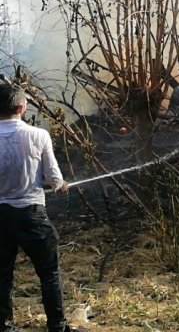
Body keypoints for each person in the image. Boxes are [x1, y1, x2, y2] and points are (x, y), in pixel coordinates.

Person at [0, 84, 85, 332]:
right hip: (31, 216)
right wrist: (61, 185)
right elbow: (53, 178)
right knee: (49, 273)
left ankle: (4, 327)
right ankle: (57, 327)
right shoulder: (38, 135)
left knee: (2, 274)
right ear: (21, 108)